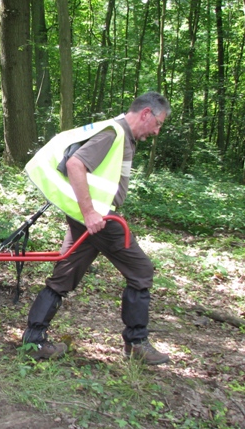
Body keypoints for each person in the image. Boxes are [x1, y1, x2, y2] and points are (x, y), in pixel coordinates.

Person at [22, 92, 172, 365]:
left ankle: (33, 341)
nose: (157, 131)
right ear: (146, 113)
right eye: (158, 123)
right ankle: (136, 343)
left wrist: (88, 213)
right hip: (99, 219)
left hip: (91, 219)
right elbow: (75, 164)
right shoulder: (114, 134)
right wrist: (90, 212)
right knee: (141, 271)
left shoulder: (117, 132)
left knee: (64, 275)